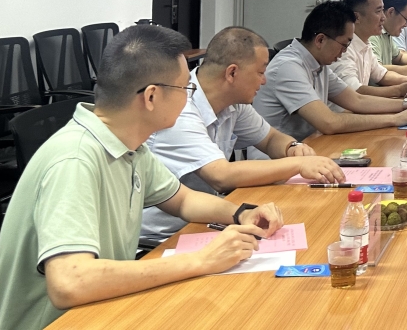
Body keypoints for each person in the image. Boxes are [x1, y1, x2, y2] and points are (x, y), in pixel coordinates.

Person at [0, 25, 284, 330]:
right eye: (186, 89)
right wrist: (200, 260)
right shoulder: (74, 159)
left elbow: (182, 200)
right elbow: (70, 283)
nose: (189, 99)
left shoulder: (130, 146)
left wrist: (241, 213)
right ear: (152, 96)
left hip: (103, 309)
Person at [140, 27, 347, 245]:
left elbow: (270, 139)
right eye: (260, 72)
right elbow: (221, 176)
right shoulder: (180, 111)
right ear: (232, 73)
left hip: (204, 221)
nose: (264, 81)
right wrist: (298, 164)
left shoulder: (234, 103)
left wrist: (294, 148)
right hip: (163, 239)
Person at [253, 1, 407, 141]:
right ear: (320, 40)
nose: (345, 51)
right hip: (278, 163)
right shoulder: (288, 67)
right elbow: (329, 122)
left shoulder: (318, 63)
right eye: (344, 45)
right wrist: (394, 119)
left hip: (309, 148)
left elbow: (357, 100)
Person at [334, 0, 407, 98]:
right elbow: (355, 91)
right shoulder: (343, 49)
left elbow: (382, 75)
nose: (383, 17)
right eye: (378, 12)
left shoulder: (365, 43)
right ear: (357, 17)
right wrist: (400, 90)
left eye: (382, 10)